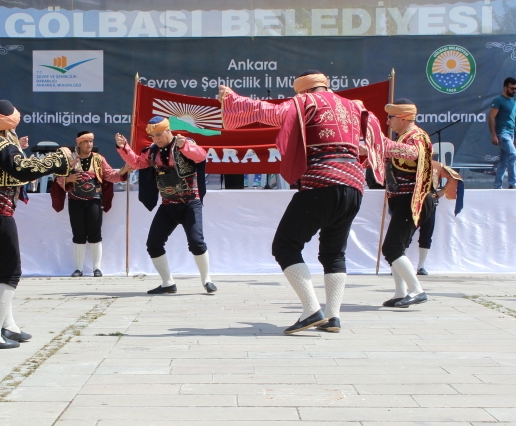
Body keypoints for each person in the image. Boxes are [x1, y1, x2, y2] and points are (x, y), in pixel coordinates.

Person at [219, 71, 381, 334]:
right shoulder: (354, 107)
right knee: (334, 253)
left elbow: (269, 112)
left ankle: (311, 309)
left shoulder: (306, 103)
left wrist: (232, 100)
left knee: (284, 245)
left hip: (322, 183)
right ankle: (333, 317)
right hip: (354, 187)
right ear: (327, 85)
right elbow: (376, 141)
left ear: (303, 91)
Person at [0, 99, 73, 349]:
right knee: (9, 272)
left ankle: (7, 325)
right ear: (10, 122)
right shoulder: (4, 145)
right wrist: (58, 159)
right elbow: (22, 170)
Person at [115, 117, 216, 294]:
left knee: (196, 242)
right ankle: (167, 283)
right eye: (153, 136)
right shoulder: (152, 152)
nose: (156, 139)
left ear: (168, 131)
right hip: (168, 204)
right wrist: (124, 148)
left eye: (159, 135)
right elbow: (138, 163)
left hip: (190, 202)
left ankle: (207, 280)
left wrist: (185, 146)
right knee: (153, 244)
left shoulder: (183, 144)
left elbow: (201, 156)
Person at [380, 99, 438, 308]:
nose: (388, 121)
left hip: (414, 198)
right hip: (401, 198)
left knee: (392, 247)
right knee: (399, 247)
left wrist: (385, 146)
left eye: (391, 117)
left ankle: (416, 290)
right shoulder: (403, 137)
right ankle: (400, 292)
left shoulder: (417, 137)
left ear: (403, 117)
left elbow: (412, 154)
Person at [50, 131, 129, 277]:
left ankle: (97, 268)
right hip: (75, 201)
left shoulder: (99, 159)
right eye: (86, 141)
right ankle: (78, 269)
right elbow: (57, 178)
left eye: (91, 141)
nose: (89, 144)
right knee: (78, 234)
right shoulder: (71, 159)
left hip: (94, 201)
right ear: (79, 143)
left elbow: (111, 176)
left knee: (95, 234)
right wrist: (68, 179)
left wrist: (124, 169)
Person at [489, 77, 516, 189]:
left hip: (511, 134)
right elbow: (491, 118)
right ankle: (512, 184)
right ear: (505, 87)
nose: (514, 90)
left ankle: (497, 186)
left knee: (503, 161)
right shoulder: (498, 100)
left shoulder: (513, 101)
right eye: (512, 88)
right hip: (502, 134)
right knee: (513, 154)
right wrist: (494, 134)